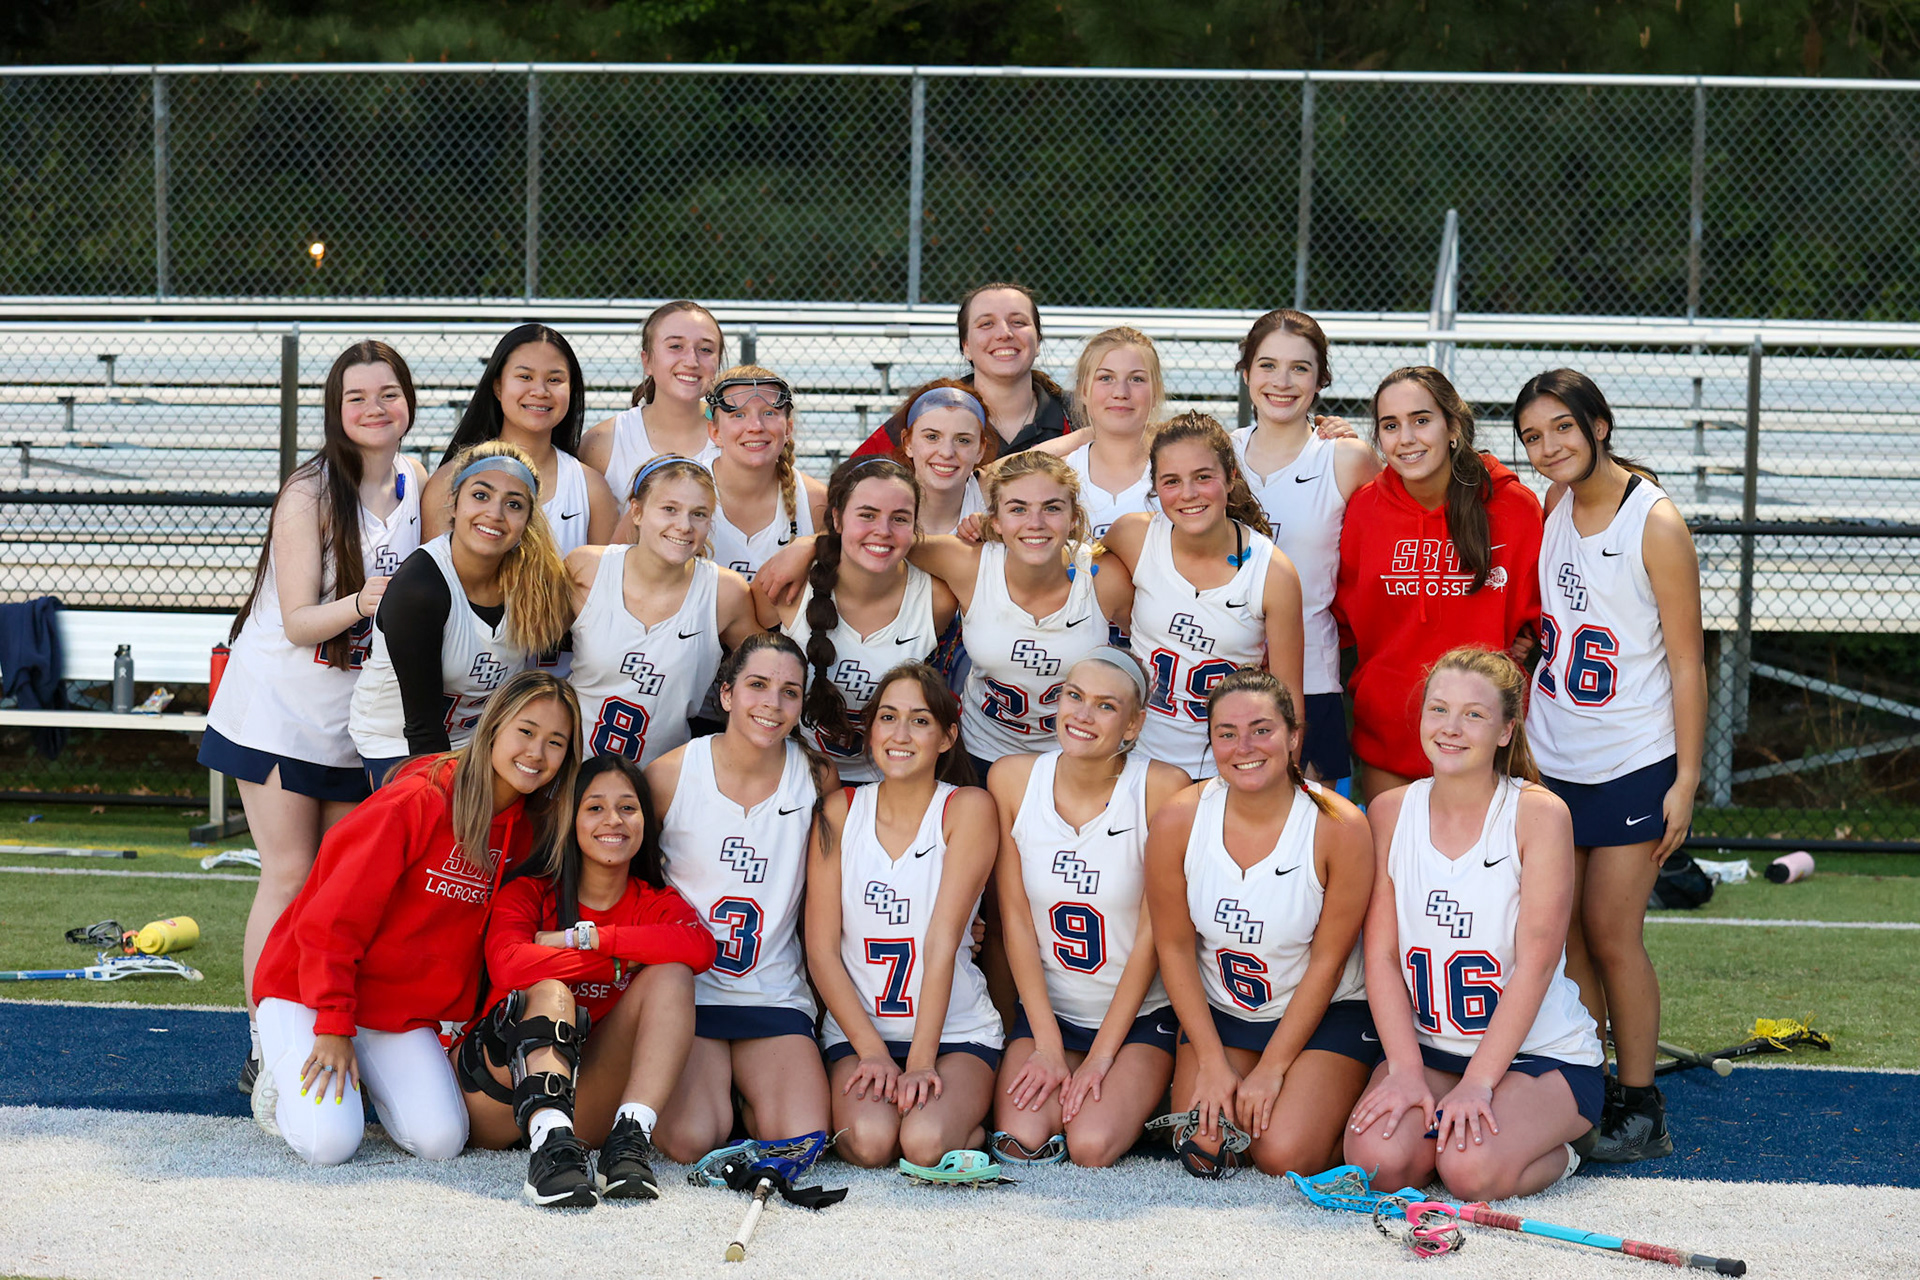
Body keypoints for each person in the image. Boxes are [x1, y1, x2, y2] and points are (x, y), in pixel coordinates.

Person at [201, 341, 427, 1095]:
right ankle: (265, 1042)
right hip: (282, 710)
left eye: (387, 394)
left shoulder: (416, 478)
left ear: (408, 402)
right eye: (356, 397)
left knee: (342, 889)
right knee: (290, 874)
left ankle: (325, 1029)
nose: (373, 408)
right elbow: (300, 620)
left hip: (358, 719)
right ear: (335, 409)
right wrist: (368, 601)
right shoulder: (308, 491)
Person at [250, 671, 580, 1167]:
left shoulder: (529, 833)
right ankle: (281, 1079)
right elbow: (332, 918)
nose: (537, 752)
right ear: (492, 728)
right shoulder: (419, 799)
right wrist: (334, 1025)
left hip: (394, 1009)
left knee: (441, 1141)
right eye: (526, 731)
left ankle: (358, 1083)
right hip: (310, 989)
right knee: (330, 1145)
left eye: (556, 742)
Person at [1513, 369, 1706, 1163]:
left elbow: (1690, 664)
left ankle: (1643, 1103)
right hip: (1556, 755)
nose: (1549, 447)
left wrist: (1686, 779)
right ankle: (1587, 1087)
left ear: (1600, 424)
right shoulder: (1552, 503)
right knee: (1567, 941)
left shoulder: (1654, 523)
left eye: (1563, 427)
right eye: (1532, 436)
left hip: (1631, 759)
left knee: (1612, 932)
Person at [1345, 647, 1605, 1201]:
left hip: (1537, 1055)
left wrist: (1480, 1084)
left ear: (1507, 730)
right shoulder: (1390, 812)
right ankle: (1449, 1120)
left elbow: (1535, 965)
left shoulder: (1538, 814)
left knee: (1468, 1171)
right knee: (1377, 1164)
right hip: (1431, 1050)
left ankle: (1568, 1148)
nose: (1451, 728)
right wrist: (1405, 1071)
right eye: (1438, 710)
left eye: (1474, 715)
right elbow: (1383, 957)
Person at [1145, 668, 1376, 1177]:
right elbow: (1176, 948)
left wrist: (1272, 1069)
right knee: (1206, 1149)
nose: (1243, 746)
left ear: (1294, 737)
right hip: (1226, 1010)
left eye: (1262, 730)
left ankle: (1348, 1108)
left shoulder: (1338, 826)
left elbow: (1330, 962)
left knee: (1283, 1155)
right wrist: (1209, 1060)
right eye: (1226, 733)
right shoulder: (1180, 818)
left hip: (1323, 1011)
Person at [468, 754, 715, 1206]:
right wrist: (618, 964)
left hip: (584, 1104)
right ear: (571, 819)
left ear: (644, 821)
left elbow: (699, 949)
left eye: (627, 807)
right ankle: (549, 1154)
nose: (613, 820)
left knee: (672, 976)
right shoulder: (529, 890)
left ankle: (628, 1141)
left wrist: (592, 938)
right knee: (551, 992)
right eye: (595, 807)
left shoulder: (654, 902)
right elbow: (508, 965)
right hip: (500, 1098)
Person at [988, 650, 1189, 1167]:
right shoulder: (1011, 779)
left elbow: (1153, 936)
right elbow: (1016, 920)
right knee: (1023, 1138)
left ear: (1133, 724)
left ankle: (1153, 1086)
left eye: (1105, 706)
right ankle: (1084, 1073)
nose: (1082, 714)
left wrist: (1102, 1056)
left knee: (1090, 1145)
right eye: (1074, 696)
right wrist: (1047, 1045)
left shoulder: (1163, 788)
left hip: (1138, 1016)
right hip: (1050, 1012)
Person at [644, 633, 836, 1164]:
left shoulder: (817, 778)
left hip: (772, 992)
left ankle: (745, 1094)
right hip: (692, 994)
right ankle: (721, 1096)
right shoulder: (670, 774)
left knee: (800, 1141)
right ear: (726, 694)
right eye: (757, 686)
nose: (772, 705)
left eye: (789, 692)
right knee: (686, 1140)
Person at [807, 664, 1003, 1167]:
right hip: (860, 1032)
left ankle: (974, 1126)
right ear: (870, 730)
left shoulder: (968, 808)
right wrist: (871, 1051)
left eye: (919, 721)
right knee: (869, 1144)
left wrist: (919, 1063)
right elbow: (822, 950)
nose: (900, 734)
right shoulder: (839, 811)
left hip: (954, 1032)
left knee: (924, 1145)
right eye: (888, 717)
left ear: (946, 736)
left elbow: (940, 943)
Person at [1335, 367, 1545, 802]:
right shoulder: (1364, 510)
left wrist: (1526, 644)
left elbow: (1542, 617)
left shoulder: (1513, 507)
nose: (1406, 438)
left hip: (1487, 741)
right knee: (1392, 869)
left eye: (1421, 420)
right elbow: (1345, 621)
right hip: (1390, 736)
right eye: (1390, 426)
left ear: (1452, 427)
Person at [350, 441, 572, 787]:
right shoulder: (420, 588)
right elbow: (422, 728)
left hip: (481, 743)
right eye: (481, 496)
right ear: (454, 503)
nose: (495, 514)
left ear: (528, 519)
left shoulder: (535, 581)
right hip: (401, 745)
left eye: (514, 504)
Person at [1101, 413, 1305, 778]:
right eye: (1171, 481)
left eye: (1203, 477)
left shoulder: (1272, 572)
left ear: (1230, 478)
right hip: (1138, 758)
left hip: (1226, 766)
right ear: (1155, 488)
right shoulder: (1134, 536)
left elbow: (1288, 701)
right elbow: (1061, 572)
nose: (1188, 494)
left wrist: (1283, 783)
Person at [1230, 309, 1381, 786]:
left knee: (1310, 833)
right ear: (1247, 372)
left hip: (1313, 678)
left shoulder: (1347, 458)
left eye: (1300, 367)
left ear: (1320, 380)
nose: (1283, 381)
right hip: (1221, 673)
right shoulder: (1216, 454)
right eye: (1268, 365)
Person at [772, 456, 958, 784]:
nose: (882, 531)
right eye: (867, 515)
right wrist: (807, 546)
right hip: (797, 776)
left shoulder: (937, 600)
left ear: (915, 526)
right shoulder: (791, 586)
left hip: (893, 781)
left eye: (899, 518)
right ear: (837, 519)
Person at [566, 456, 760, 766]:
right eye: (669, 509)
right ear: (637, 511)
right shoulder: (587, 568)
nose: (684, 526)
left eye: (699, 514)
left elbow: (766, 674)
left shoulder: (724, 593)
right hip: (571, 772)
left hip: (663, 782)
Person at [426, 324, 617, 555]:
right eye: (525, 376)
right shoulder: (449, 480)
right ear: (498, 386)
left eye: (554, 380)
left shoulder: (591, 488)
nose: (540, 390)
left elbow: (605, 582)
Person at [852, 282, 1071, 458]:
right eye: (986, 324)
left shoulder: (1075, 416)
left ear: (1038, 341)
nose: (1004, 333)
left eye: (1018, 322)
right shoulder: (930, 411)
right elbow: (851, 481)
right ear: (966, 346)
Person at [580, 300, 726, 496]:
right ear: (647, 360)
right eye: (675, 346)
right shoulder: (603, 442)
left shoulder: (735, 436)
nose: (692, 361)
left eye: (706, 349)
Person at [703, 365, 828, 582]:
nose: (755, 426)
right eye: (738, 414)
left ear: (788, 429)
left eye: (769, 413)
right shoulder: (674, 488)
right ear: (715, 432)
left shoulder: (816, 502)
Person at [1037, 327, 1161, 539]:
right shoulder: (1059, 476)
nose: (1121, 392)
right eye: (1105, 378)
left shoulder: (1178, 474)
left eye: (1137, 379)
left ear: (1156, 392)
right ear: (1083, 391)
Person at [893, 380, 996, 536]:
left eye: (963, 440)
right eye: (932, 437)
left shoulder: (988, 494)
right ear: (907, 443)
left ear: (980, 450)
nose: (947, 452)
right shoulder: (885, 502)